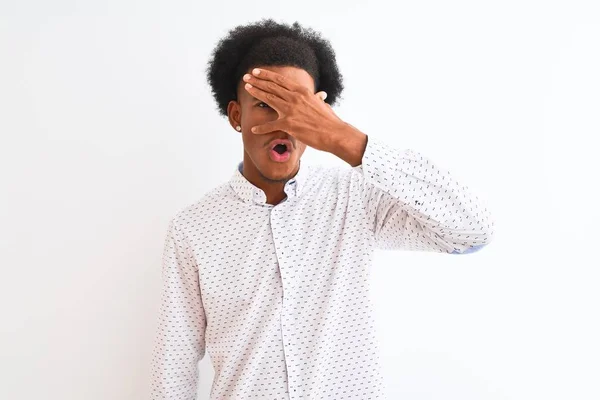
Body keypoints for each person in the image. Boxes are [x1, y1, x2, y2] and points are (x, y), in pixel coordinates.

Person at [149, 18, 495, 400]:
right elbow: (174, 364)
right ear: (236, 116)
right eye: (265, 105)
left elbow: (472, 229)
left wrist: (346, 139)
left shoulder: (356, 198)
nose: (283, 123)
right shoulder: (193, 229)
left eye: (298, 109)